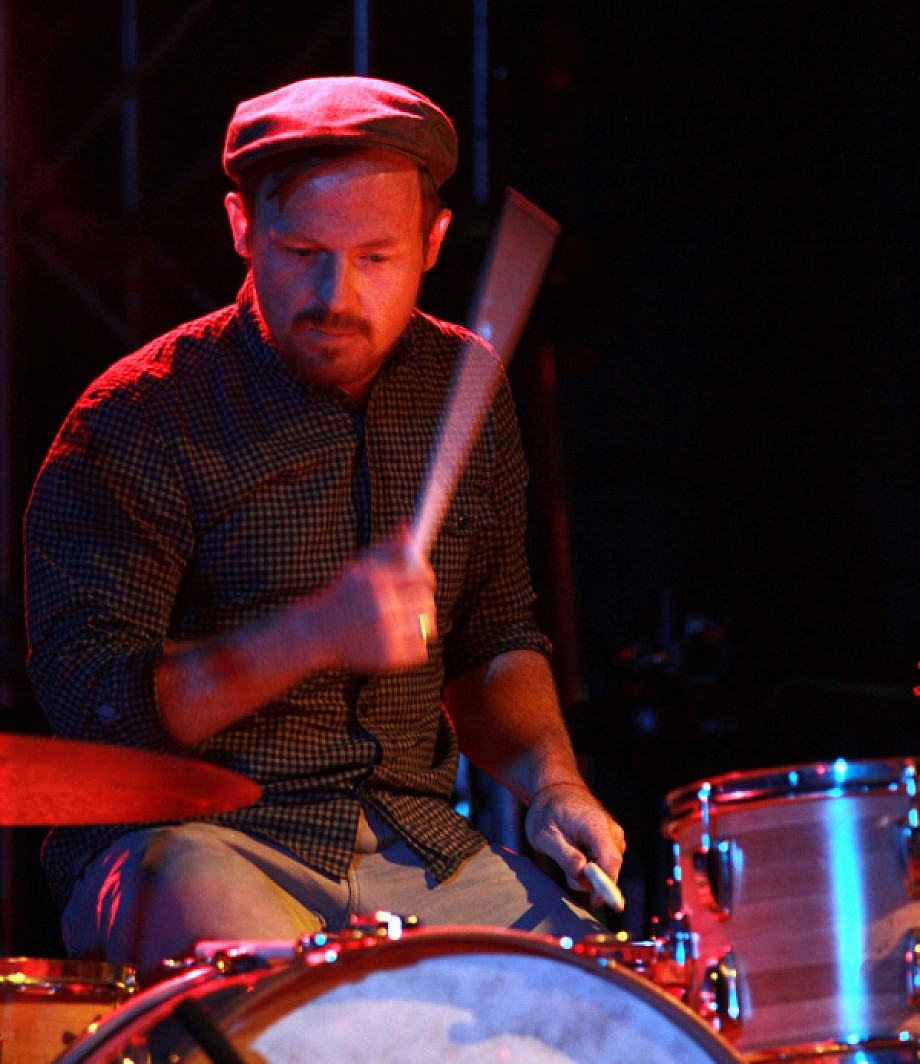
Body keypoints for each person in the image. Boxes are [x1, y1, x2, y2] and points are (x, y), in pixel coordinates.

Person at [24, 75, 626, 982]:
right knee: (279, 989)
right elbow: (97, 712)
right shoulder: (136, 419)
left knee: (599, 998)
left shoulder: (464, 384)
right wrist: (312, 631)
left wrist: (552, 782)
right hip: (203, 842)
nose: (335, 295)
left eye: (376, 257)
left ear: (433, 243)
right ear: (242, 227)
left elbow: (494, 637)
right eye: (302, 251)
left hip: (419, 850)